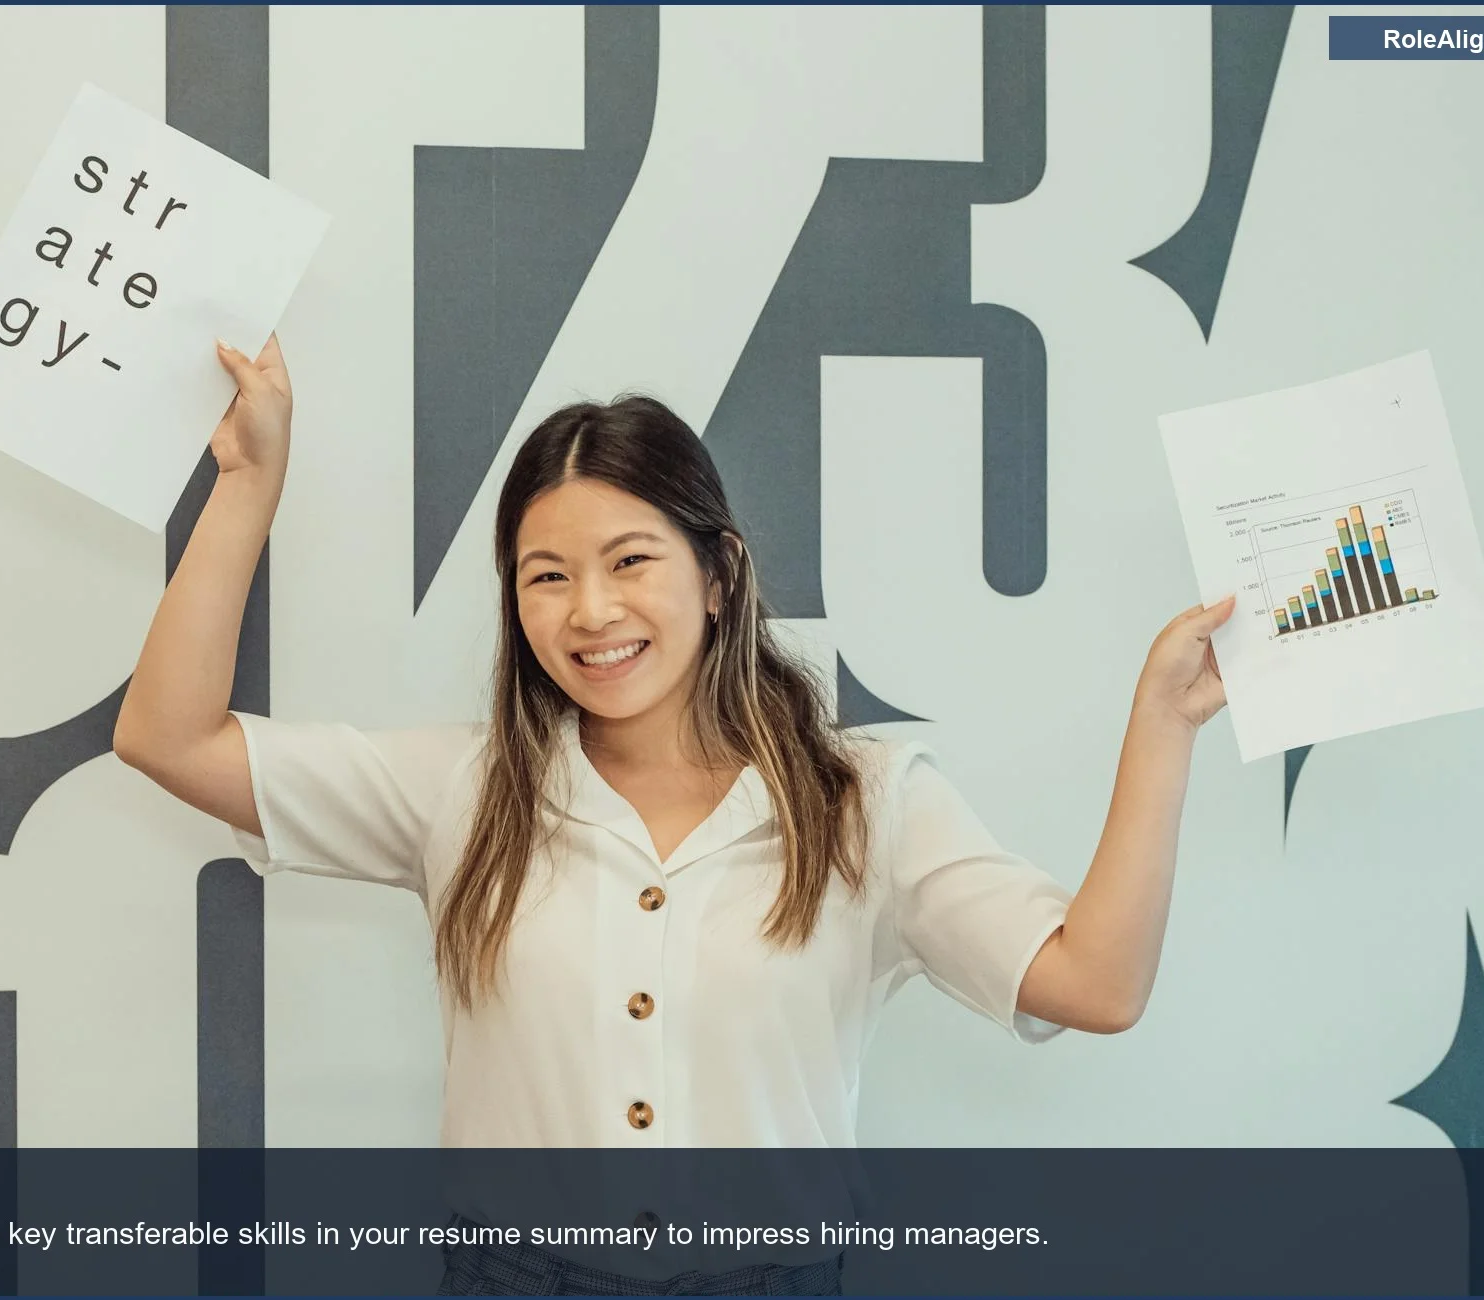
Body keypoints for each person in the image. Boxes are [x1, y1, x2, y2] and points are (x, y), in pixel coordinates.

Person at [113, 335, 1236, 1295]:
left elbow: (1095, 983)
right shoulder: (461, 789)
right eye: (543, 575)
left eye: (629, 559)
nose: (589, 610)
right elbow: (169, 736)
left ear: (718, 573)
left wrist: (1163, 722)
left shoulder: (864, 804)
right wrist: (250, 483)